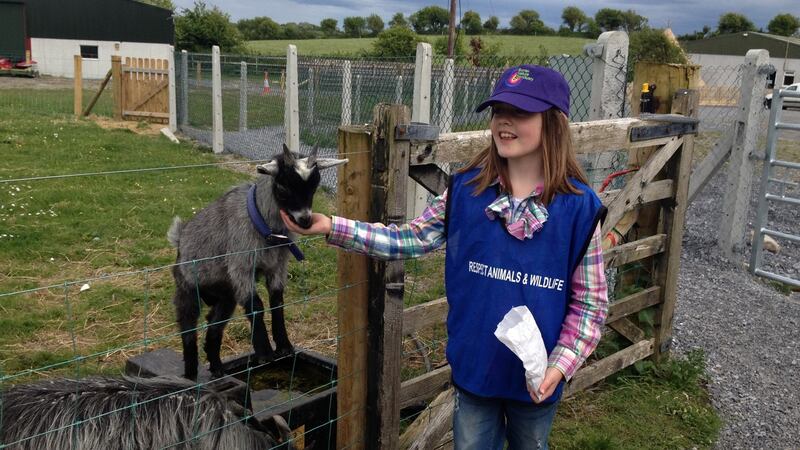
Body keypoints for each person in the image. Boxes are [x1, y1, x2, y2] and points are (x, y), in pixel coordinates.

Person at [280, 65, 608, 450]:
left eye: (520, 112)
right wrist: (330, 225)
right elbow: (409, 238)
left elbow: (590, 304)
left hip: (537, 382)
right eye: (499, 109)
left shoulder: (580, 210)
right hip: (475, 371)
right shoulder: (466, 193)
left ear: (553, 122)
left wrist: (561, 365)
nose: (504, 121)